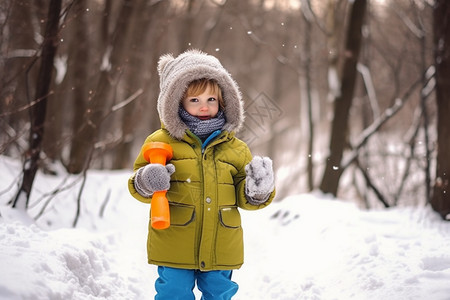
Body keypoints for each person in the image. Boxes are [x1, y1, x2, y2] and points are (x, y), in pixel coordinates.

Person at [128, 49, 276, 300]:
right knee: (173, 293)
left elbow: (244, 197)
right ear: (177, 101)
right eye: (194, 100)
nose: (204, 107)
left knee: (219, 294)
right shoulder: (160, 142)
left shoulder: (237, 149)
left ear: (224, 101)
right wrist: (147, 180)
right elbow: (137, 184)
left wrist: (257, 190)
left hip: (221, 242)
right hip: (174, 239)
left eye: (211, 100)